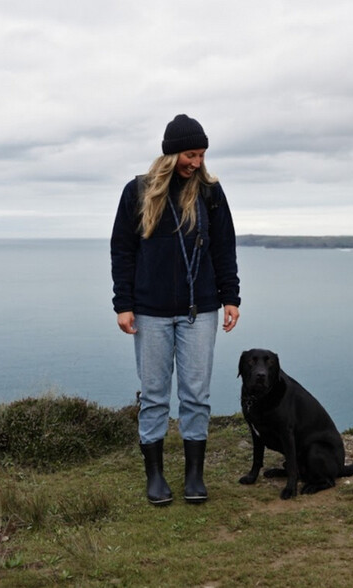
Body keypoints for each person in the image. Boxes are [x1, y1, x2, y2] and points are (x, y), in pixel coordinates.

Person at [110, 114, 241, 505]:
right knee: (153, 396)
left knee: (196, 394)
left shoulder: (211, 194)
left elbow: (224, 248)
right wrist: (124, 304)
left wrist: (230, 297)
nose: (196, 163)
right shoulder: (137, 192)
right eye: (190, 154)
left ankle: (194, 478)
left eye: (200, 155)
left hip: (199, 311)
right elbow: (123, 251)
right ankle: (155, 479)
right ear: (170, 154)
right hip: (149, 312)